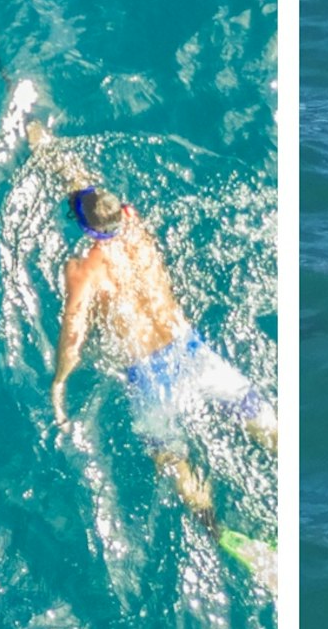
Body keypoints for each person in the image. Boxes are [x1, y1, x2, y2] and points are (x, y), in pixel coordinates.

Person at [49, 181, 272, 529]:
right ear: (121, 212)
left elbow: (73, 334)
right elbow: (100, 202)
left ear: (83, 228)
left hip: (149, 375)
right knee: (258, 416)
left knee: (170, 457)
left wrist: (60, 383)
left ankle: (215, 528)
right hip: (192, 350)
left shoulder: (82, 271)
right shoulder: (136, 228)